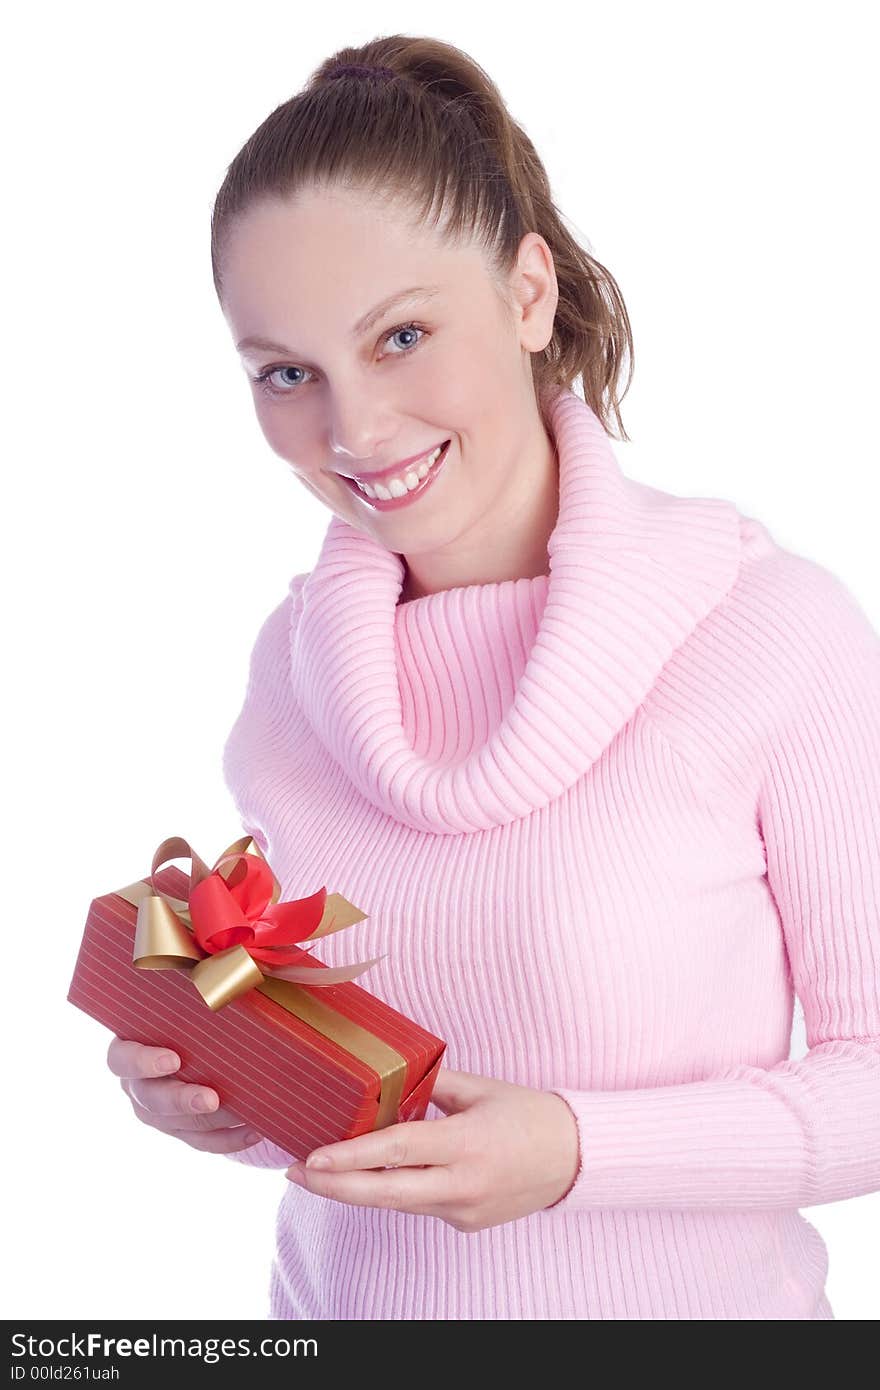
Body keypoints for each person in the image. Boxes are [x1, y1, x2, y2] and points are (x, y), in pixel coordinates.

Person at [106, 34, 880, 1321]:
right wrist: (221, 1103)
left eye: (401, 334)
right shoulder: (293, 667)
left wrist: (575, 1152)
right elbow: (351, 1095)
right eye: (285, 372)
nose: (351, 432)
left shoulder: (768, 630)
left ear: (527, 296)